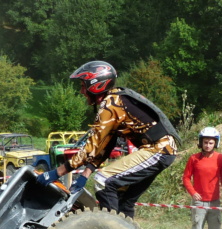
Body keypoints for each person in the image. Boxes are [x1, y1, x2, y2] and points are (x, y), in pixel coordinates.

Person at [37, 61, 178, 218]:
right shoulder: (115, 100)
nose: (81, 91)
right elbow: (107, 143)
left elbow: (92, 144)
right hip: (160, 150)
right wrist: (85, 174)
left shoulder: (110, 105)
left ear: (95, 85)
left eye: (83, 86)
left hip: (158, 150)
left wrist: (57, 172)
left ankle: (111, 228)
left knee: (103, 180)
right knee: (123, 198)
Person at [183, 127, 222, 229]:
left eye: (211, 143)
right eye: (205, 142)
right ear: (201, 142)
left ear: (216, 143)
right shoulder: (194, 158)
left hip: (215, 201)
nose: (208, 145)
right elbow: (186, 178)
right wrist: (193, 192)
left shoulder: (220, 158)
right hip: (199, 201)